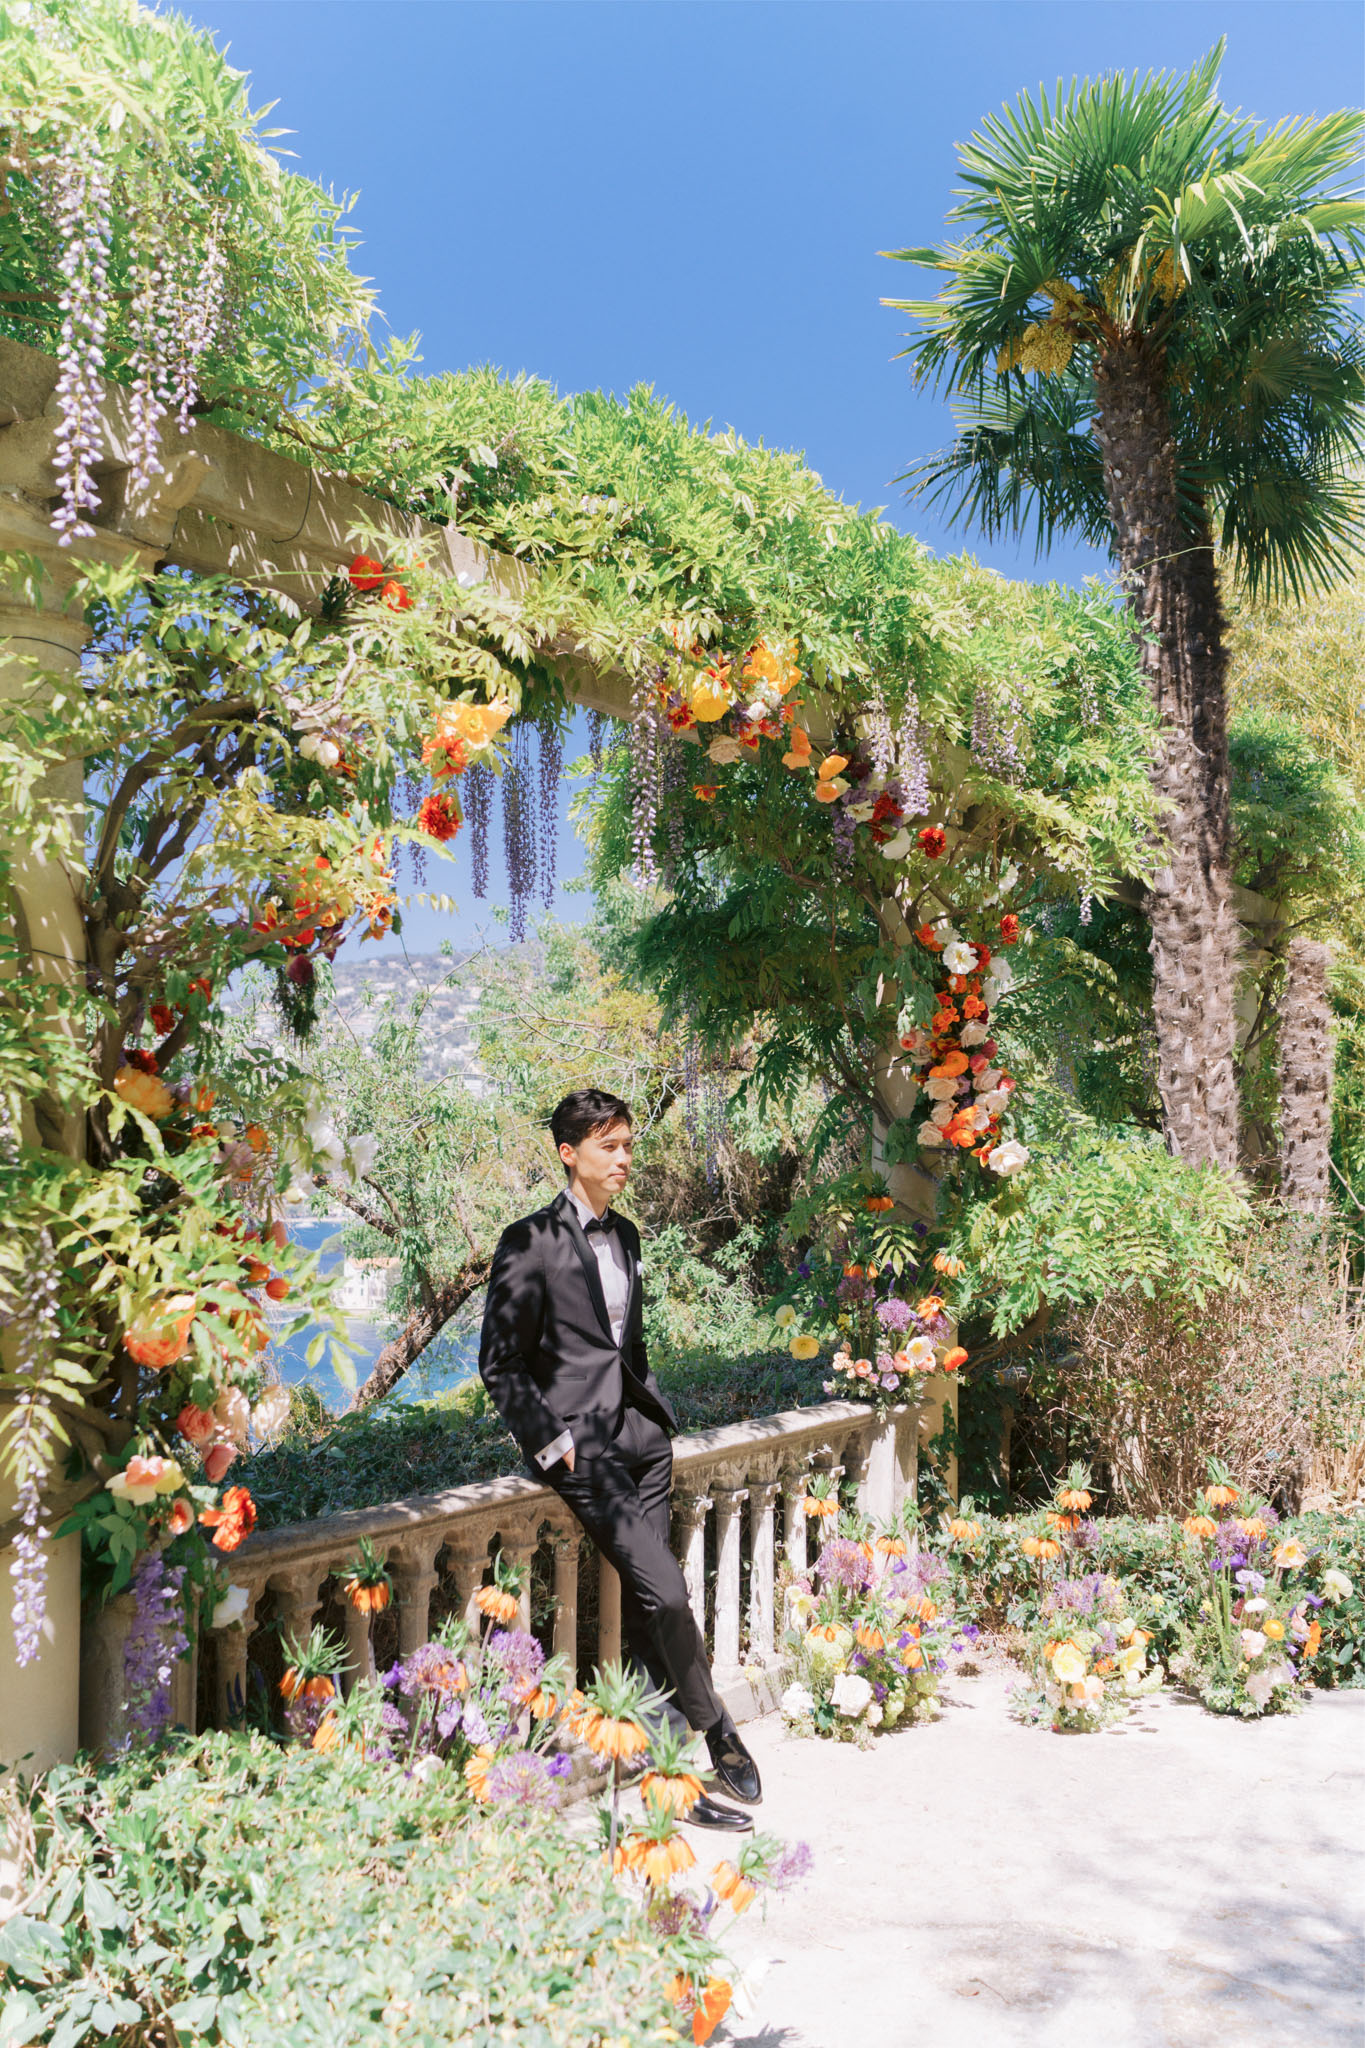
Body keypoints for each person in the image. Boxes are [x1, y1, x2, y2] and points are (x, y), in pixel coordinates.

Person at [479, 1086, 762, 1832]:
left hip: (640, 1440)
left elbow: (623, 1346)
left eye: (629, 1145)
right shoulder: (528, 1240)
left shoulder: (627, 1236)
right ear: (569, 1153)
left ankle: (669, 1784)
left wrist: (654, 1414)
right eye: (610, 1146)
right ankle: (716, 1729)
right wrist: (553, 1443)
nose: (625, 1159)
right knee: (668, 1596)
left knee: (647, 1614)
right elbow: (500, 1363)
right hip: (582, 1452)